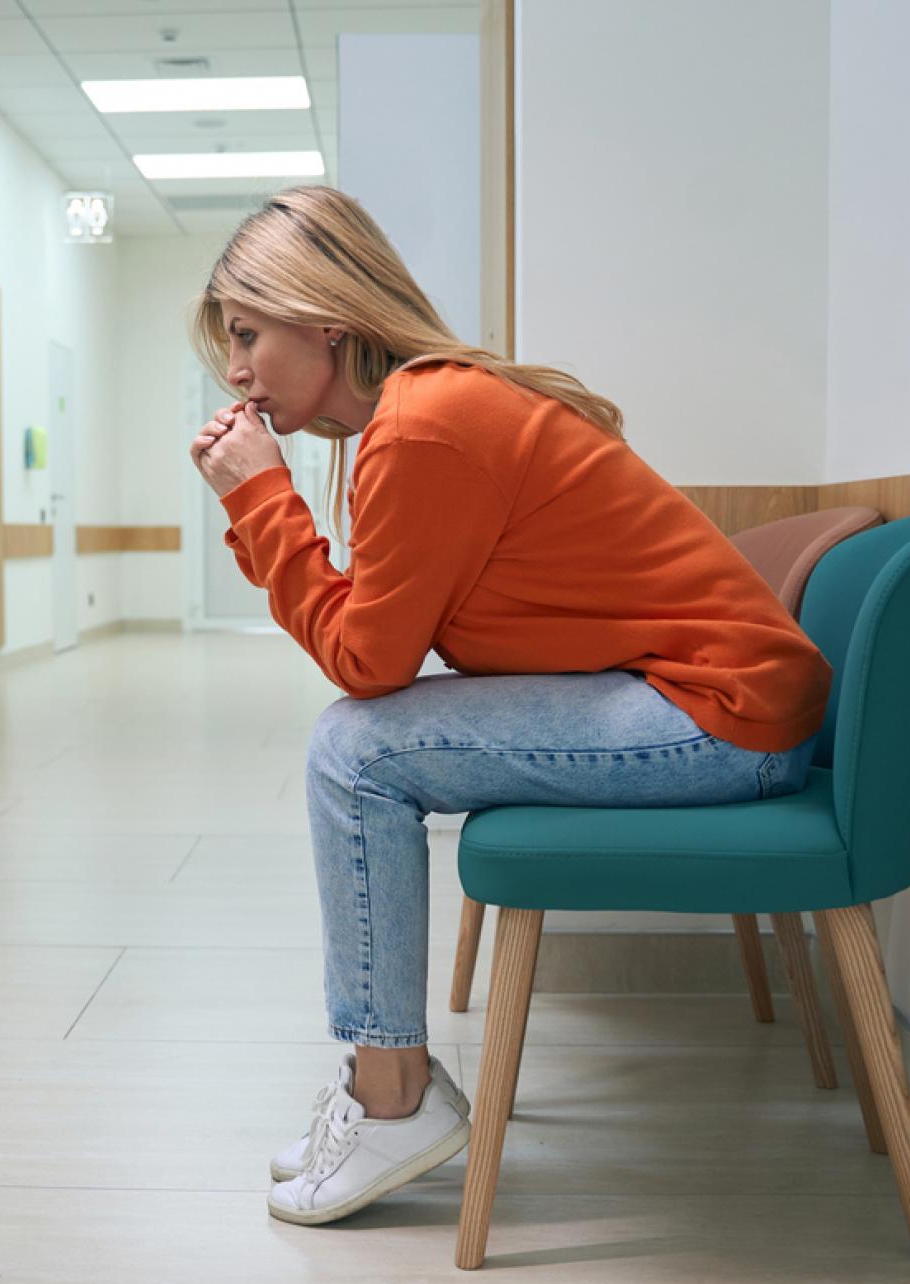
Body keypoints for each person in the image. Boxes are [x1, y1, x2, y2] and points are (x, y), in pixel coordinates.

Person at [187, 186, 832, 1227]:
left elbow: (366, 662)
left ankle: (389, 1094)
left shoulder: (423, 425)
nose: (234, 369)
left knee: (355, 751)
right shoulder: (415, 418)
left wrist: (260, 499)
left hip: (718, 718)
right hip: (700, 698)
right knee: (359, 741)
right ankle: (390, 1081)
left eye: (249, 335)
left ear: (326, 320)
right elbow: (375, 637)